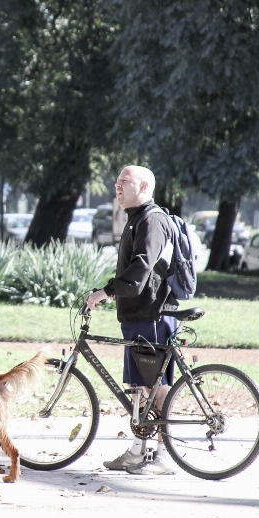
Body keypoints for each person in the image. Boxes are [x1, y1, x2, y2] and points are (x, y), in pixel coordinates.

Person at [85, 165, 178, 475]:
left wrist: (105, 292)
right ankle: (138, 452)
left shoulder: (152, 221)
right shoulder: (138, 219)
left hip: (152, 314)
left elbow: (140, 270)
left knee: (156, 387)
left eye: (125, 180)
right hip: (139, 315)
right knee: (140, 387)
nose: (117, 185)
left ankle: (164, 457)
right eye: (117, 180)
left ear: (144, 187)